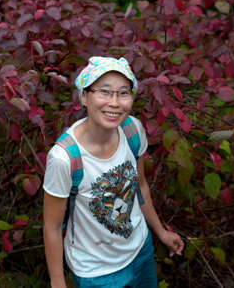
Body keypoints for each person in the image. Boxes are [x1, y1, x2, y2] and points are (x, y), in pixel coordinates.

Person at [43, 56, 184, 288]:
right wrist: (58, 282)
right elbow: (52, 226)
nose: (115, 103)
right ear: (84, 97)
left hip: (140, 251)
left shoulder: (132, 131)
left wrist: (160, 232)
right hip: (95, 271)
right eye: (105, 92)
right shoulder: (64, 158)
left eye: (123, 93)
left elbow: (140, 186)